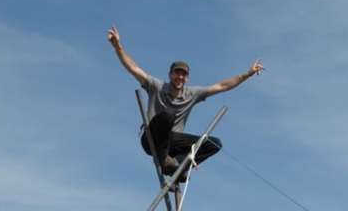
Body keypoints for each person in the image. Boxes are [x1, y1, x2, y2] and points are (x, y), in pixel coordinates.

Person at [107, 27, 263, 178]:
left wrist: (247, 74)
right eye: (177, 73)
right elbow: (134, 68)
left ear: (187, 78)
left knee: (214, 144)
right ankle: (165, 162)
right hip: (151, 137)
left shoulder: (192, 94)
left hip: (172, 143)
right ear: (170, 74)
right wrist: (118, 47)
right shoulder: (156, 86)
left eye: (183, 75)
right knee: (168, 116)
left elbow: (222, 86)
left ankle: (178, 165)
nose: (180, 77)